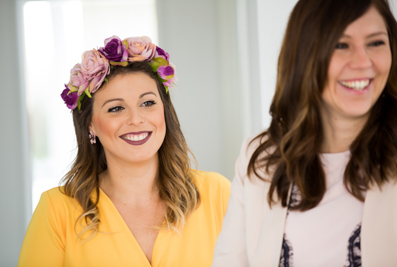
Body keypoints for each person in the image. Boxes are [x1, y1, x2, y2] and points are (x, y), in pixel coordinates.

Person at [212, 0, 397, 266]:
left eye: (376, 42)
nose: (362, 62)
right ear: (304, 55)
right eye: (341, 45)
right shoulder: (259, 158)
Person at [18, 36, 230, 267]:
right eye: (116, 108)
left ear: (165, 112)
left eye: (147, 103)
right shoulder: (56, 209)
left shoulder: (217, 194)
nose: (136, 120)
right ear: (90, 124)